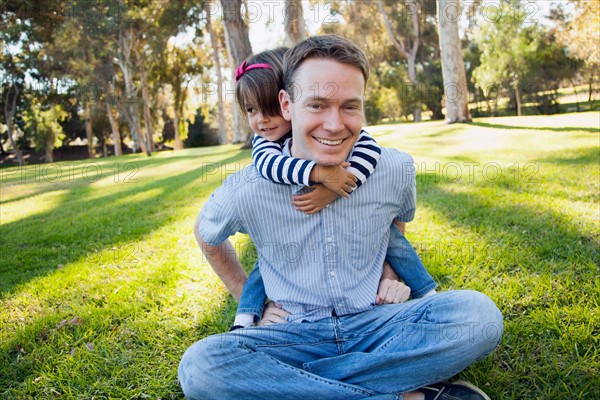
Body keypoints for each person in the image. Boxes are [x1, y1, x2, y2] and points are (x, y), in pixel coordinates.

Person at [180, 35, 503, 399]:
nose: (334, 125)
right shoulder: (249, 187)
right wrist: (251, 300)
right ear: (286, 104)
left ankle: (295, 386)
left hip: (376, 324)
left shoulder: (393, 168)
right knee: (200, 368)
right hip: (291, 334)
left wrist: (390, 272)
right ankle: (406, 395)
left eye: (350, 106)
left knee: (479, 317)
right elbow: (207, 234)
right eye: (317, 105)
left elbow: (396, 223)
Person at [231, 47, 437, 329]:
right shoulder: (264, 145)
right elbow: (270, 167)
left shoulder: (362, 146)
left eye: (268, 109)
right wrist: (318, 173)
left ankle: (428, 292)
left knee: (470, 308)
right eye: (252, 111)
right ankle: (245, 317)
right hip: (294, 302)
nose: (262, 120)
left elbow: (370, 150)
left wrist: (339, 185)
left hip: (366, 310)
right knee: (263, 264)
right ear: (288, 102)